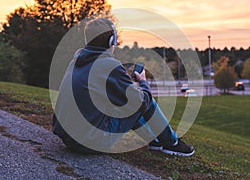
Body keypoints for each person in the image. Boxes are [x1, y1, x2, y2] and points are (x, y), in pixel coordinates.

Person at [52, 18, 195, 156]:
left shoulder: (77, 60)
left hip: (68, 139)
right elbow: (141, 101)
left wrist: (128, 85)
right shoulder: (108, 64)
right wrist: (143, 83)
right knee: (144, 99)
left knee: (129, 100)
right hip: (90, 142)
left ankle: (155, 141)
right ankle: (172, 143)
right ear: (111, 41)